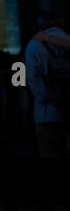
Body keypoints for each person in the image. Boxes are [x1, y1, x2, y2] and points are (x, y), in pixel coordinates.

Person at [26, 9, 70, 158]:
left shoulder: (34, 44)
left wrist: (47, 97)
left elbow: (33, 78)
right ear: (62, 22)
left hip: (46, 113)